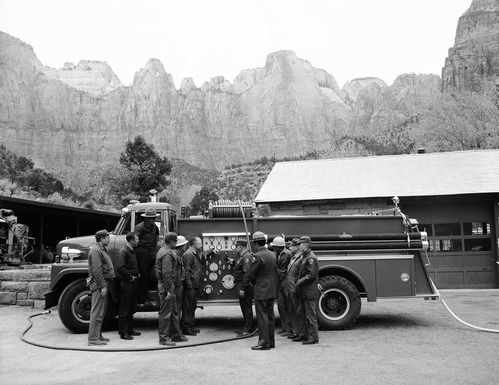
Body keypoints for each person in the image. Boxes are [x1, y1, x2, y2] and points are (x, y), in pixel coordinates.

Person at [246, 231, 279, 350]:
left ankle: (264, 343)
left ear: (255, 243)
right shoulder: (272, 254)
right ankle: (271, 341)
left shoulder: (257, 256)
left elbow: (251, 274)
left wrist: (252, 282)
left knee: (262, 317)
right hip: (271, 288)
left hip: (261, 289)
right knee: (270, 316)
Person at [156, 232, 188, 346]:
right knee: (165, 313)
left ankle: (175, 334)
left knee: (174, 312)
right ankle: (164, 338)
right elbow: (166, 273)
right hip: (166, 286)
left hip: (169, 286)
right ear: (171, 242)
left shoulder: (163, 251)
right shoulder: (167, 254)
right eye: (175, 241)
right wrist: (169, 290)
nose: (176, 243)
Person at [87, 230, 115, 346]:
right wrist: (102, 286)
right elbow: (97, 270)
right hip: (99, 285)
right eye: (107, 237)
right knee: (97, 312)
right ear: (102, 239)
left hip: (103, 283)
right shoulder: (96, 250)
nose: (109, 239)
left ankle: (98, 335)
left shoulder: (100, 249)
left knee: (101, 312)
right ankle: (93, 339)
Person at [115, 231, 140, 340]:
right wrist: (130, 277)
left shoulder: (131, 251)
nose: (138, 240)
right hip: (127, 284)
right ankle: (123, 333)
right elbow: (120, 267)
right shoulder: (124, 251)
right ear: (132, 240)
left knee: (131, 308)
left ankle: (130, 330)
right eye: (137, 239)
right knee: (124, 309)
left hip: (133, 283)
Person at [294, 236, 320, 345]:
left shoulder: (311, 258)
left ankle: (314, 337)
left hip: (309, 291)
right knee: (302, 313)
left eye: (300, 244)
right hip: (304, 292)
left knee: (310, 315)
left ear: (305, 245)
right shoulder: (305, 256)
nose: (299, 246)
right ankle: (304, 334)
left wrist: (299, 281)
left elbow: (311, 275)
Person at [134, 207, 160, 306]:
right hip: (142, 254)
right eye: (151, 218)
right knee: (143, 277)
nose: (153, 220)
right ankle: (142, 300)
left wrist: (153, 250)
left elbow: (156, 239)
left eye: (154, 218)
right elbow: (134, 241)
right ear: (146, 218)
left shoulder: (155, 227)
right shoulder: (139, 227)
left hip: (150, 253)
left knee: (151, 276)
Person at [181, 236, 203, 336]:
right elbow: (186, 271)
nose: (202, 245)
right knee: (188, 307)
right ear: (194, 244)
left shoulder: (194, 253)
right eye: (200, 243)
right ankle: (186, 327)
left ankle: (191, 326)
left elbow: (203, 254)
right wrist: (189, 285)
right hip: (191, 285)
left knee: (192, 306)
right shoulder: (188, 255)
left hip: (195, 284)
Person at [271, 236, 292, 336]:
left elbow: (283, 271)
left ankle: (289, 329)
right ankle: (284, 328)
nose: (273, 248)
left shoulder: (287, 254)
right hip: (281, 281)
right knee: (281, 305)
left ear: (279, 247)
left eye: (274, 247)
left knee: (288, 306)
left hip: (286, 282)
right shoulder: (278, 253)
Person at [233, 240, 254, 336]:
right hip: (241, 284)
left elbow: (247, 274)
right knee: (244, 306)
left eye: (236, 247)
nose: (235, 249)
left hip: (244, 286)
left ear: (240, 247)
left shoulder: (246, 257)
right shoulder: (242, 257)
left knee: (247, 307)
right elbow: (240, 265)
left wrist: (242, 288)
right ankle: (246, 327)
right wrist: (232, 261)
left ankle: (248, 329)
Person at [285, 238, 303, 340]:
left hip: (295, 288)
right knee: (292, 311)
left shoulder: (301, 258)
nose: (289, 247)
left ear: (296, 247)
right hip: (290, 288)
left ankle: (300, 332)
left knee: (298, 311)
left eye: (291, 246)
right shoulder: (293, 257)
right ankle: (294, 331)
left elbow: (301, 274)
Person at [173, 235, 188, 338]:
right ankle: (176, 333)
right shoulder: (175, 256)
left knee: (177, 309)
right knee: (176, 310)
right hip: (177, 285)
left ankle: (177, 331)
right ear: (180, 246)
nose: (185, 248)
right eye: (184, 246)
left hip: (178, 284)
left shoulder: (177, 255)